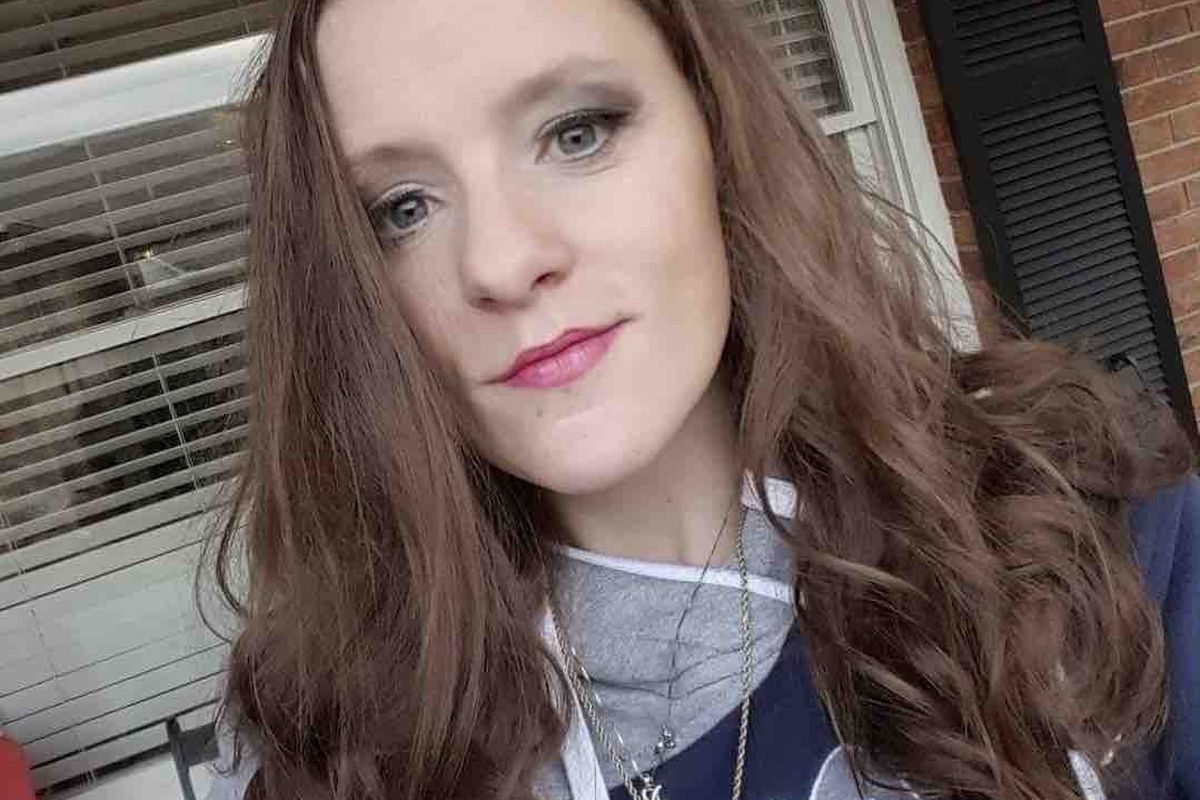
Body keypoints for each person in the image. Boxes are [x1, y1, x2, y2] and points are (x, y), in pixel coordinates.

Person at [200, 0, 1199, 798]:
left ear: (716, 132)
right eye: (402, 209)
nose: (500, 262)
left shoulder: (1084, 524)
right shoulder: (336, 742)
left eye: (576, 132)